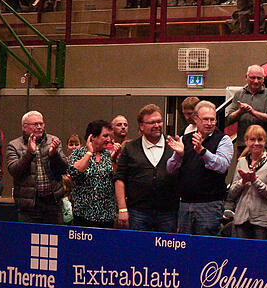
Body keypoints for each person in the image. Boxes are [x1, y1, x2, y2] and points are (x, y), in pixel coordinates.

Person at [166, 100, 233, 236]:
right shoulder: (185, 139)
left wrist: (203, 151)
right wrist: (179, 155)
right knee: (185, 245)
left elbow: (222, 165)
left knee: (206, 248)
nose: (209, 123)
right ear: (196, 119)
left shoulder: (223, 140)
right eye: (205, 119)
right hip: (185, 204)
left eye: (212, 120)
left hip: (210, 205)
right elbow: (170, 169)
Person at [115, 104, 179, 232]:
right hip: (138, 212)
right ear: (141, 126)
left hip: (168, 213)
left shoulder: (174, 146)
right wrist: (122, 209)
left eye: (159, 121)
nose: (156, 125)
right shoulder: (130, 148)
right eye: (151, 122)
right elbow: (119, 179)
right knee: (138, 250)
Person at [6, 111, 68, 224]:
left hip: (53, 203)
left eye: (41, 124)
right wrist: (29, 153)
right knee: (28, 239)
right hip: (29, 205)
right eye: (35, 124)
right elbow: (14, 171)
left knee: (54, 239)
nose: (39, 127)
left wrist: (54, 155)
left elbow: (64, 169)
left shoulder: (53, 141)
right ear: (25, 127)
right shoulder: (14, 145)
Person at [228, 125, 267, 239]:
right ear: (246, 141)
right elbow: (232, 193)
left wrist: (255, 181)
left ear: (265, 141)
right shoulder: (242, 162)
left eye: (260, 139)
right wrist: (242, 182)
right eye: (252, 139)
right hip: (241, 219)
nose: (256, 143)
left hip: (262, 222)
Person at [67, 120, 115, 228]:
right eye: (105, 136)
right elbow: (75, 172)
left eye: (109, 136)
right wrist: (89, 152)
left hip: (106, 216)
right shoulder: (78, 153)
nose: (109, 139)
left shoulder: (110, 155)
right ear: (93, 137)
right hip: (83, 215)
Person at [226, 65, 267, 150]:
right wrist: (240, 111)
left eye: (259, 78)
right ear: (246, 78)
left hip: (264, 145)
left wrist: (253, 112)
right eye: (252, 78)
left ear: (263, 79)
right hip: (243, 144)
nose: (256, 81)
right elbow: (228, 119)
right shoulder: (239, 94)